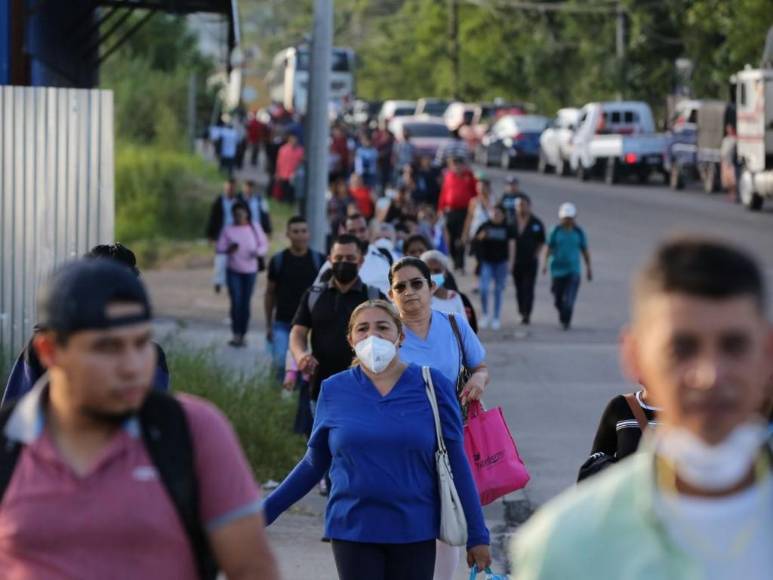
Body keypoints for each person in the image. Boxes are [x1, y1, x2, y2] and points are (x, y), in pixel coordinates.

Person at [512, 236, 773, 580]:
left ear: (767, 353)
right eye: (682, 348)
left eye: (734, 346)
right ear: (635, 356)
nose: (710, 376)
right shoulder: (566, 545)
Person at [0, 259, 278, 579]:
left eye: (141, 343)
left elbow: (253, 569)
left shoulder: (194, 432)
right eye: (107, 348)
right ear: (49, 351)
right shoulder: (7, 443)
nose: (132, 366)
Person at [265, 300, 491, 580]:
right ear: (351, 339)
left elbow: (457, 461)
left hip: (415, 529)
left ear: (401, 336)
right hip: (353, 528)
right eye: (363, 329)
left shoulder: (433, 386)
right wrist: (263, 513)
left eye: (383, 327)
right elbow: (314, 463)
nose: (373, 336)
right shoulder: (334, 390)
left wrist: (478, 535)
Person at [387, 257, 490, 580]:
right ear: (392, 295)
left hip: (449, 443)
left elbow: (481, 367)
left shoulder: (455, 324)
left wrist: (477, 381)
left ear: (432, 287)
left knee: (450, 526)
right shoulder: (387, 336)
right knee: (408, 528)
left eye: (417, 284)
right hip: (401, 448)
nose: (409, 292)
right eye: (400, 287)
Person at [2, 243, 171, 405]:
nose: (130, 367)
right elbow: (16, 412)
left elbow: (155, 419)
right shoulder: (46, 346)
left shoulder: (152, 358)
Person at [290, 234, 385, 414]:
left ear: (361, 261)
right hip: (321, 389)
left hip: (364, 391)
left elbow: (392, 336)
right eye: (339, 258)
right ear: (329, 260)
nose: (344, 262)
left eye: (350, 258)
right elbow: (298, 332)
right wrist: (300, 355)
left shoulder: (374, 297)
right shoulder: (314, 295)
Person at [265, 216, 325, 381]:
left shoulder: (319, 261)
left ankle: (298, 404)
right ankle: (276, 400)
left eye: (303, 231)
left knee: (305, 370)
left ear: (309, 234)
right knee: (279, 364)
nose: (300, 235)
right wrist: (268, 324)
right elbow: (270, 293)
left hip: (310, 326)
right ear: (288, 234)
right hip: (283, 323)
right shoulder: (278, 261)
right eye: (296, 231)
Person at [577, 384, 661, 481]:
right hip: (631, 493)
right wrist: (621, 471)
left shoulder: (681, 413)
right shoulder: (621, 405)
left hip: (672, 494)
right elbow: (597, 459)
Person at [215, 201, 269, 347]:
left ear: (246, 213)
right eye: (236, 214)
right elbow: (219, 247)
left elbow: (264, 245)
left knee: (245, 303)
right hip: (233, 270)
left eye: (241, 213)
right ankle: (236, 333)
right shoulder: (228, 229)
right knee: (236, 302)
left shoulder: (254, 226)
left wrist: (257, 252)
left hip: (250, 271)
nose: (239, 216)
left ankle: (243, 333)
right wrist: (229, 248)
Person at [542, 202, 592, 330]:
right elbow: (549, 248)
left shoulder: (578, 232)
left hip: (573, 270)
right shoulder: (555, 231)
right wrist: (544, 264)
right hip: (557, 270)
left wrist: (588, 268)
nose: (567, 221)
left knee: (569, 300)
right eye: (565, 218)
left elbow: (585, 250)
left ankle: (566, 319)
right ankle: (563, 314)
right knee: (557, 299)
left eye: (570, 218)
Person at [314, 214, 392, 294]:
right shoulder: (332, 264)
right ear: (344, 232)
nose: (358, 235)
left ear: (368, 230)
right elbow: (316, 293)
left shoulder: (386, 256)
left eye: (362, 230)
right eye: (352, 231)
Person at [474, 205, 515, 330]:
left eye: (498, 213)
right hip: (487, 262)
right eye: (494, 213)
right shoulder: (485, 225)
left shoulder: (507, 227)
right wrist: (481, 236)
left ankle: (496, 317)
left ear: (503, 215)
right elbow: (475, 241)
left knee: (498, 290)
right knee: (484, 289)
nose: (495, 215)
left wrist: (511, 263)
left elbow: (512, 245)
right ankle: (485, 315)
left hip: (501, 263)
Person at [511, 195, 545, 325]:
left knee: (528, 288)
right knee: (519, 288)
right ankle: (521, 310)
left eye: (524, 205)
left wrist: (536, 254)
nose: (521, 208)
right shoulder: (511, 221)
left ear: (529, 206)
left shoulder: (536, 222)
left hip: (530, 261)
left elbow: (541, 241)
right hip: (516, 261)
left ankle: (527, 313)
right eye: (519, 205)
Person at [438, 157, 477, 272]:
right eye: (454, 165)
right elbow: (444, 193)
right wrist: (440, 208)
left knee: (462, 238)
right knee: (451, 238)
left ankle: (460, 263)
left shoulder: (469, 177)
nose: (457, 167)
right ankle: (455, 260)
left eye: (459, 165)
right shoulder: (449, 177)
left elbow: (475, 193)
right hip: (450, 211)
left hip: (464, 212)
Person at [421, 250, 465, 317]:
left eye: (437, 271)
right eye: (428, 271)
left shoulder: (454, 297)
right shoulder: (419, 299)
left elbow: (464, 325)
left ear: (445, 273)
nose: (432, 274)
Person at [205, 178, 238, 243]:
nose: (230, 190)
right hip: (222, 232)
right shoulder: (218, 201)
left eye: (232, 188)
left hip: (235, 231)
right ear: (225, 188)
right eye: (228, 188)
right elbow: (213, 218)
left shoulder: (238, 201)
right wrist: (210, 235)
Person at [275, 133, 305, 203]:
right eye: (292, 139)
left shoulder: (300, 150)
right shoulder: (283, 149)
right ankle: (282, 200)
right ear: (289, 140)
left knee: (291, 189)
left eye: (295, 140)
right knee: (283, 188)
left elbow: (302, 161)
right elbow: (279, 162)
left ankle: (289, 201)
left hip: (294, 174)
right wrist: (277, 172)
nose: (294, 141)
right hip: (283, 173)